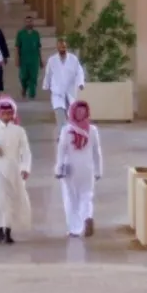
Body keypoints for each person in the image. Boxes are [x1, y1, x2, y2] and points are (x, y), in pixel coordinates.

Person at [0, 97, 32, 244]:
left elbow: (25, 151)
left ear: (13, 114)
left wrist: (25, 168)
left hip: (14, 169)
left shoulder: (19, 131)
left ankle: (7, 230)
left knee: (10, 200)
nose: (6, 116)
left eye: (9, 113)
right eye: (3, 113)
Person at [56, 100, 103, 237]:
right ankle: (87, 216)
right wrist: (98, 170)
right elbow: (97, 152)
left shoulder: (66, 130)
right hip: (87, 168)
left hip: (70, 168)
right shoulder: (93, 130)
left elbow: (61, 150)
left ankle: (75, 229)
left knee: (71, 198)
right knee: (87, 195)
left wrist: (58, 168)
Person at [43, 37, 86, 129]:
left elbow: (79, 72)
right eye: (61, 47)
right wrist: (46, 85)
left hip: (70, 91)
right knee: (60, 115)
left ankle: (70, 133)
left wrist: (80, 83)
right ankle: (61, 134)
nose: (63, 49)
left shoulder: (73, 59)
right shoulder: (52, 60)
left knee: (71, 116)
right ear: (57, 48)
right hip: (57, 92)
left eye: (64, 47)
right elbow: (48, 73)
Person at [15, 14, 43, 100]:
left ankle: (32, 94)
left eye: (30, 21)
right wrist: (17, 58)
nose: (29, 23)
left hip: (34, 59)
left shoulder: (36, 34)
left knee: (33, 77)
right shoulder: (20, 34)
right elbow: (17, 47)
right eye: (27, 22)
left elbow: (38, 47)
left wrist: (41, 60)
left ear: (33, 22)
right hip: (24, 59)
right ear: (25, 23)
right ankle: (24, 87)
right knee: (23, 77)